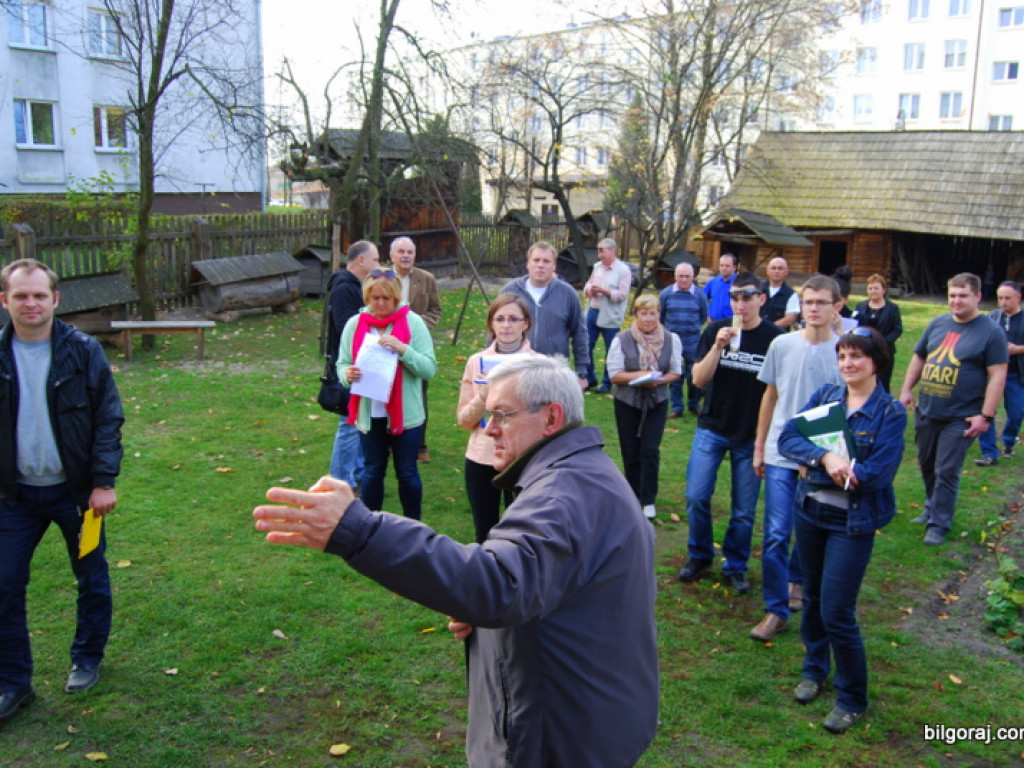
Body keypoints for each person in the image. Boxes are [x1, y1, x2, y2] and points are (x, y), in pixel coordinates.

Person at [254, 355, 659, 767]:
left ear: (551, 418)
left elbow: (500, 585)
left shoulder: (561, 495)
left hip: (560, 736)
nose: (489, 428)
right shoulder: (582, 471)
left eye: (502, 414)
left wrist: (358, 530)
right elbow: (562, 587)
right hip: (592, 718)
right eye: (487, 415)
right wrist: (485, 621)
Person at [0, 259, 124, 721]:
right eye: (20, 295)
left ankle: (87, 658)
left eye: (38, 295)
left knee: (91, 577)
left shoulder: (83, 351)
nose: (30, 303)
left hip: (77, 495)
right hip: (13, 498)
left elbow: (107, 418)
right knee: (4, 585)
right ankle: (14, 684)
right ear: (5, 301)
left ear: (55, 299)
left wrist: (102, 481)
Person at [778, 327, 907, 734]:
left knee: (837, 609)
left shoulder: (889, 412)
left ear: (876, 362)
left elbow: (878, 474)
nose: (848, 364)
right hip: (810, 512)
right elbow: (788, 438)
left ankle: (852, 696)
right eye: (843, 356)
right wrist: (824, 457)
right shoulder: (826, 398)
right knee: (812, 598)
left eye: (857, 357)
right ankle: (815, 671)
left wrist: (836, 470)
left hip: (851, 523)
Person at [751, 275, 845, 642]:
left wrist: (829, 457)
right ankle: (775, 609)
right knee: (776, 532)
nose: (815, 309)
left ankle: (800, 582)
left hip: (821, 459)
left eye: (822, 302)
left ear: (837, 306)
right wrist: (760, 446)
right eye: (808, 302)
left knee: (811, 533)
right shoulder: (782, 344)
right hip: (779, 452)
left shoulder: (844, 353)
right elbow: (770, 397)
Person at [678, 272, 783, 594]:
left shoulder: (775, 338)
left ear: (761, 300)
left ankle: (735, 564)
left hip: (751, 434)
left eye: (747, 297)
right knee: (696, 496)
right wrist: (718, 348)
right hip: (713, 427)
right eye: (735, 297)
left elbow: (777, 389)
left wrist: (763, 442)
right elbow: (697, 380)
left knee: (743, 510)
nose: (740, 303)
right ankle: (700, 555)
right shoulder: (716, 330)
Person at [899, 273, 1008, 546]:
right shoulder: (937, 324)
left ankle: (939, 524)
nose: (956, 301)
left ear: (977, 297)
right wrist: (906, 389)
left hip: (961, 416)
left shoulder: (991, 332)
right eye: (952, 295)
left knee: (946, 469)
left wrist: (986, 416)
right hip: (928, 409)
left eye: (963, 295)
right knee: (926, 464)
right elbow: (919, 356)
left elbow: (997, 376)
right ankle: (930, 505)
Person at [338, 270, 436, 520]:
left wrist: (403, 350)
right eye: (374, 297)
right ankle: (371, 526)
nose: (380, 304)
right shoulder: (354, 324)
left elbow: (429, 368)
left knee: (406, 471)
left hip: (406, 415)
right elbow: (341, 364)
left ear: (396, 298)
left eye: (386, 298)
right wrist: (347, 374)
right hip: (370, 413)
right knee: (373, 470)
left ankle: (413, 525)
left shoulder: (413, 322)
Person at [456, 293, 536, 542]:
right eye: (499, 319)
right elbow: (464, 421)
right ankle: (487, 579)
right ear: (491, 323)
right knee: (485, 531)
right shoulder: (476, 362)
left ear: (526, 323)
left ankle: (520, 579)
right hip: (482, 457)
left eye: (514, 319)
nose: (506, 325)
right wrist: (483, 395)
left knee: (522, 532)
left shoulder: (538, 364)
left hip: (522, 458)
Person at [608, 294, 682, 519]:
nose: (648, 318)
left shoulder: (671, 339)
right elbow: (614, 375)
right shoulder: (621, 339)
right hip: (627, 401)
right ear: (635, 315)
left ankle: (648, 499)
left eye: (653, 313)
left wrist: (657, 380)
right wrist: (641, 375)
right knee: (630, 450)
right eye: (643, 313)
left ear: (659, 314)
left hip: (656, 401)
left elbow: (676, 371)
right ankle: (632, 494)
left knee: (649, 450)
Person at [326, 240, 380, 489]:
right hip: (349, 367)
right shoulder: (344, 288)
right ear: (361, 260)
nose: (378, 265)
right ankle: (340, 481)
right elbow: (347, 327)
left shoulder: (354, 286)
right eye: (376, 260)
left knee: (359, 422)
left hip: (362, 365)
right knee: (349, 424)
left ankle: (357, 474)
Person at [502, 241, 589, 387]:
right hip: (516, 371)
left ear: (554, 265)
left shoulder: (567, 294)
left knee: (553, 410)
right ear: (528, 264)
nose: (540, 265)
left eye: (546, 261)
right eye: (536, 260)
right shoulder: (510, 291)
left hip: (554, 372)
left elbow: (580, 333)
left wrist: (581, 371)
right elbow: (495, 330)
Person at [389, 237, 442, 463]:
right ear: (392, 255)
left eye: (410, 252)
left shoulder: (426, 279)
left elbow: (435, 310)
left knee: (419, 392)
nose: (406, 256)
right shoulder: (382, 277)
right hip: (387, 343)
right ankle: (390, 440)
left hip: (416, 346)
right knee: (387, 390)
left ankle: (420, 446)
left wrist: (417, 326)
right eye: (401, 251)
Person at [975, 280, 1024, 466]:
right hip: (991, 374)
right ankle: (989, 453)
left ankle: (1009, 441)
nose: (1003, 302)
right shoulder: (992, 317)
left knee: (1016, 413)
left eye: (1008, 298)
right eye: (1000, 298)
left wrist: (1017, 349)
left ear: (1018, 297)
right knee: (986, 411)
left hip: (1015, 375)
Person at [659, 261, 708, 417]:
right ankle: (677, 407)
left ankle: (694, 404)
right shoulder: (666, 294)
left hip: (693, 340)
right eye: (681, 276)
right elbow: (661, 316)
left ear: (693, 277)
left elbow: (703, 316)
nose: (684, 280)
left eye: (687, 276)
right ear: (675, 276)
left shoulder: (699, 295)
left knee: (693, 374)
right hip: (672, 340)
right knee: (675, 374)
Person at [582, 238, 631, 393]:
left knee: (611, 350)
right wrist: (589, 289)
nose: (599, 254)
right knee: (585, 345)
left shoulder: (623, 270)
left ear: (612, 250)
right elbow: (587, 285)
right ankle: (590, 378)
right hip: (592, 311)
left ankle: (607, 382)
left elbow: (622, 295)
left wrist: (604, 291)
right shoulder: (597, 267)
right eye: (598, 250)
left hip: (610, 315)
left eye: (602, 250)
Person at [852, 274, 902, 393]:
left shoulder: (892, 308)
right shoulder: (860, 306)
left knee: (882, 383)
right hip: (864, 349)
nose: (873, 291)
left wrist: (884, 342)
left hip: (884, 351)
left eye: (876, 288)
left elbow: (897, 329)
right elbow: (854, 325)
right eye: (870, 288)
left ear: (883, 290)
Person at [760, 257, 800, 330]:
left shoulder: (791, 295)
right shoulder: (757, 289)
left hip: (778, 337)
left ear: (786, 272)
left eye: (780, 268)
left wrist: (766, 329)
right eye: (773, 268)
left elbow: (789, 319)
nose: (776, 271)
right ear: (767, 271)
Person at [703, 252, 739, 322]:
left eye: (727, 266)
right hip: (713, 323)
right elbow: (702, 298)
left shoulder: (740, 283)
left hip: (732, 324)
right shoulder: (713, 282)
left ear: (734, 267)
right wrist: (707, 315)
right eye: (721, 265)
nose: (724, 268)